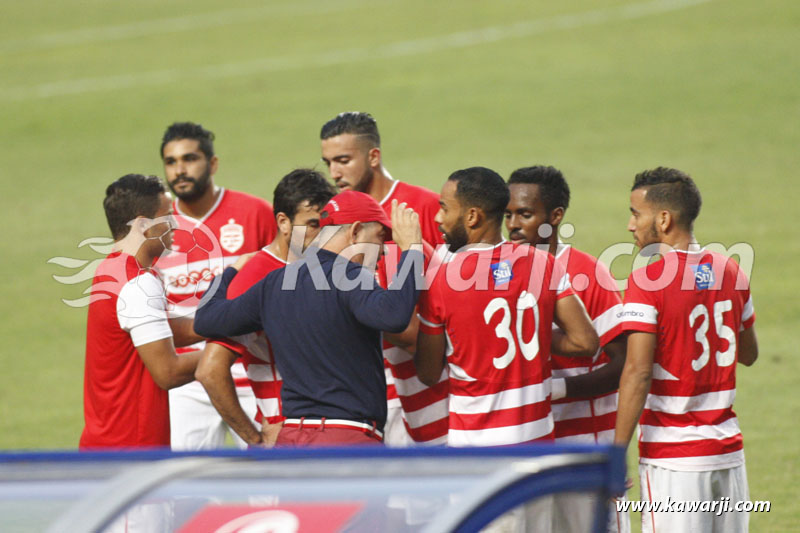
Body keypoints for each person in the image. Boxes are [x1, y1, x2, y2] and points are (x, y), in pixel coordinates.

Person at [194, 191, 425, 446]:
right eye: (381, 237)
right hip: (346, 440)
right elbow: (394, 315)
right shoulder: (351, 277)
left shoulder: (274, 283)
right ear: (356, 232)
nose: (382, 252)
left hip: (291, 441)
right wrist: (412, 250)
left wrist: (229, 273)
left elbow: (206, 320)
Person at [614, 167, 758, 533]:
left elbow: (638, 371)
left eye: (635, 214)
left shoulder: (647, 281)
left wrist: (615, 453)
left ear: (663, 219)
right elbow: (749, 353)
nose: (631, 225)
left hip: (674, 461)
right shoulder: (732, 271)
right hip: (728, 455)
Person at [415, 166, 599, 447]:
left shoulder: (440, 280)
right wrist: (529, 330)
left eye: (444, 208)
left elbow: (428, 374)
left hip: (476, 449)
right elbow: (585, 342)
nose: (438, 218)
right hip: (537, 443)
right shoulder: (544, 264)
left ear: (473, 216)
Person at [505, 165, 629, 533]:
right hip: (526, 446)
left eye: (525, 214)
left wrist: (556, 390)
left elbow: (623, 364)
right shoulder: (498, 273)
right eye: (508, 213)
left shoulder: (588, 274)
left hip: (584, 449)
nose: (513, 224)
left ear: (555, 216)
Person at [320, 111, 448, 445]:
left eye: (344, 160)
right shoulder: (334, 217)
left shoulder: (422, 207)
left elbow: (454, 289)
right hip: (363, 387)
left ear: (373, 156)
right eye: (328, 162)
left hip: (426, 381)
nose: (334, 172)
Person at [153, 121, 277, 450]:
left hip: (251, 371)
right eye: (171, 162)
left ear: (213, 163)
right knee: (184, 483)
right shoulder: (157, 228)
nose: (180, 170)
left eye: (189, 159)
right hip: (188, 382)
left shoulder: (255, 213)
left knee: (268, 486)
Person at [194, 169, 336, 447]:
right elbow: (209, 371)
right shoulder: (255, 276)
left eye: (328, 226)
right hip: (287, 436)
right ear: (283, 222)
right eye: (312, 225)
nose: (323, 236)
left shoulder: (320, 267)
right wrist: (255, 441)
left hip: (328, 430)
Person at [80, 174, 202, 449]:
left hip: (105, 445)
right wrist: (229, 352)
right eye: (168, 216)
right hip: (131, 452)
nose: (174, 223)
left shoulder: (112, 269)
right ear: (145, 225)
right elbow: (168, 372)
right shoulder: (137, 284)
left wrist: (232, 325)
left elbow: (163, 330)